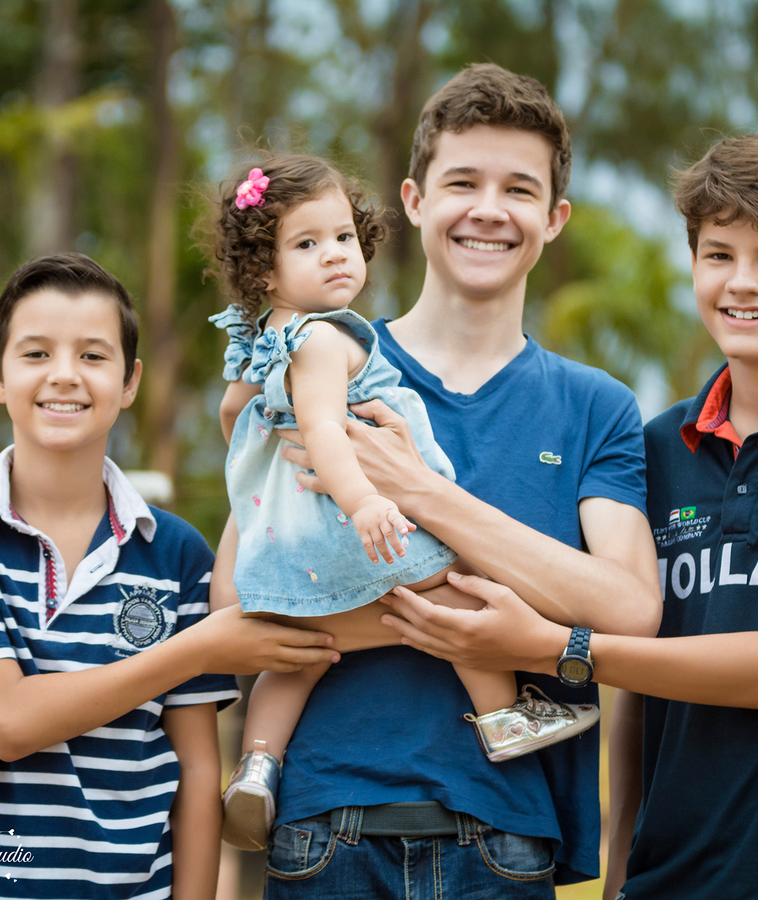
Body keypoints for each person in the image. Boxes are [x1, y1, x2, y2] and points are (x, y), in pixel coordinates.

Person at [380, 120, 758, 900]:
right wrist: (618, 874)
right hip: (667, 881)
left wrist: (557, 648)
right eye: (720, 256)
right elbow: (641, 706)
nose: (742, 283)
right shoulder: (658, 444)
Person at [211, 64, 663, 898]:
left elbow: (631, 612)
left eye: (518, 189)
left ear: (554, 218)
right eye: (463, 181)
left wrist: (421, 493)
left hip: (508, 836)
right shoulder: (321, 366)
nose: (488, 208)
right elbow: (238, 603)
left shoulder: (596, 406)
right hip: (325, 828)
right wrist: (469, 619)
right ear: (416, 200)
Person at [0, 253, 338, 900]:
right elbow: (9, 723)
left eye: (93, 356)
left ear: (130, 382)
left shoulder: (177, 552)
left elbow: (195, 768)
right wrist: (203, 648)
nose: (65, 376)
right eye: (36, 354)